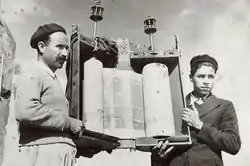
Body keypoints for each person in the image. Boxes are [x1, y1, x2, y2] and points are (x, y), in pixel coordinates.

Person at [14, 23, 87, 166]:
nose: (65, 54)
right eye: (59, 46)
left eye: (67, 48)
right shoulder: (33, 72)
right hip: (44, 154)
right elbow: (26, 110)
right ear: (42, 47)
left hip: (55, 154)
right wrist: (69, 123)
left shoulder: (51, 78)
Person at [152, 54, 241, 166]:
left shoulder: (224, 106)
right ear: (191, 77)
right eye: (201, 76)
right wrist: (157, 157)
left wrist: (200, 125)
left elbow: (233, 145)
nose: (206, 81)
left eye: (210, 76)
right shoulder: (174, 105)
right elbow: (159, 148)